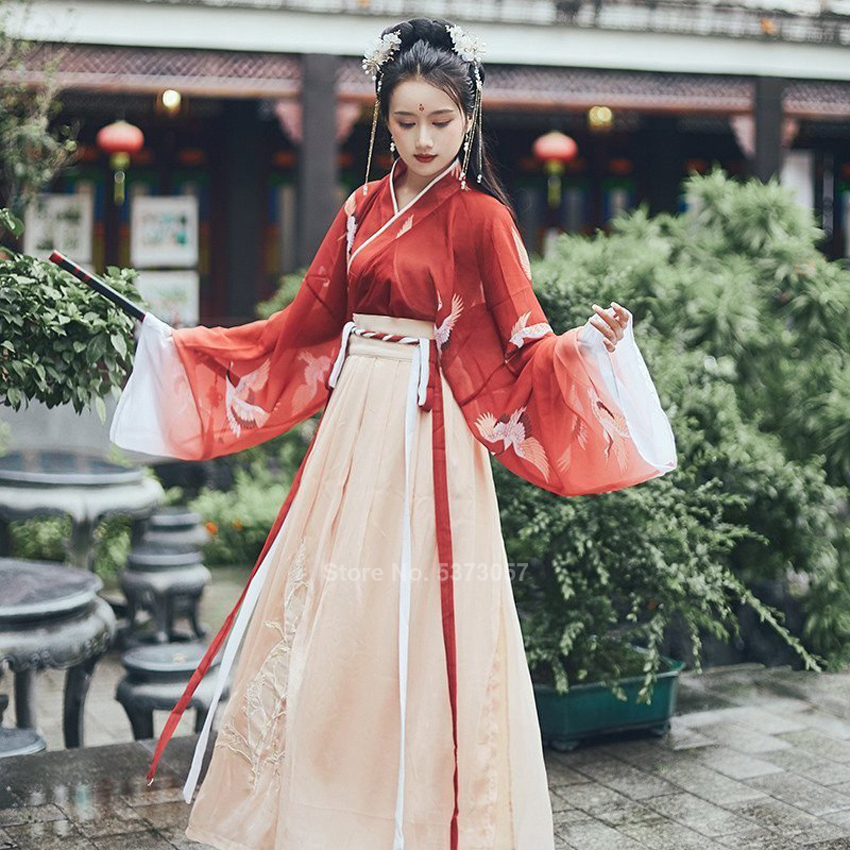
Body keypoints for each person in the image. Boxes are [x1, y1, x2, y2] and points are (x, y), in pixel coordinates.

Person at [109, 16, 677, 850]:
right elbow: (300, 328)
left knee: (421, 607)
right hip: (356, 424)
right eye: (405, 121)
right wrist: (189, 348)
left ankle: (423, 810)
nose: (422, 138)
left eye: (440, 122)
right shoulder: (360, 209)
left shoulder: (482, 219)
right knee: (333, 604)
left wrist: (590, 346)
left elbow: (524, 344)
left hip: (433, 428)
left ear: (470, 120)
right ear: (384, 119)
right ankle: (316, 799)